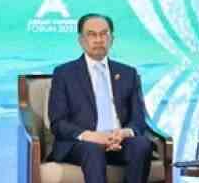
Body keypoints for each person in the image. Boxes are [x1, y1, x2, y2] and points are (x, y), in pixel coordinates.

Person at [48, 13, 153, 183]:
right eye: (92, 34)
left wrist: (124, 133)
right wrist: (91, 136)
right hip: (82, 144)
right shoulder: (64, 74)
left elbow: (138, 119)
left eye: (104, 34)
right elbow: (58, 123)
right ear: (81, 40)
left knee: (141, 145)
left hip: (119, 141)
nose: (98, 40)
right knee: (93, 149)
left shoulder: (128, 73)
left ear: (112, 39)